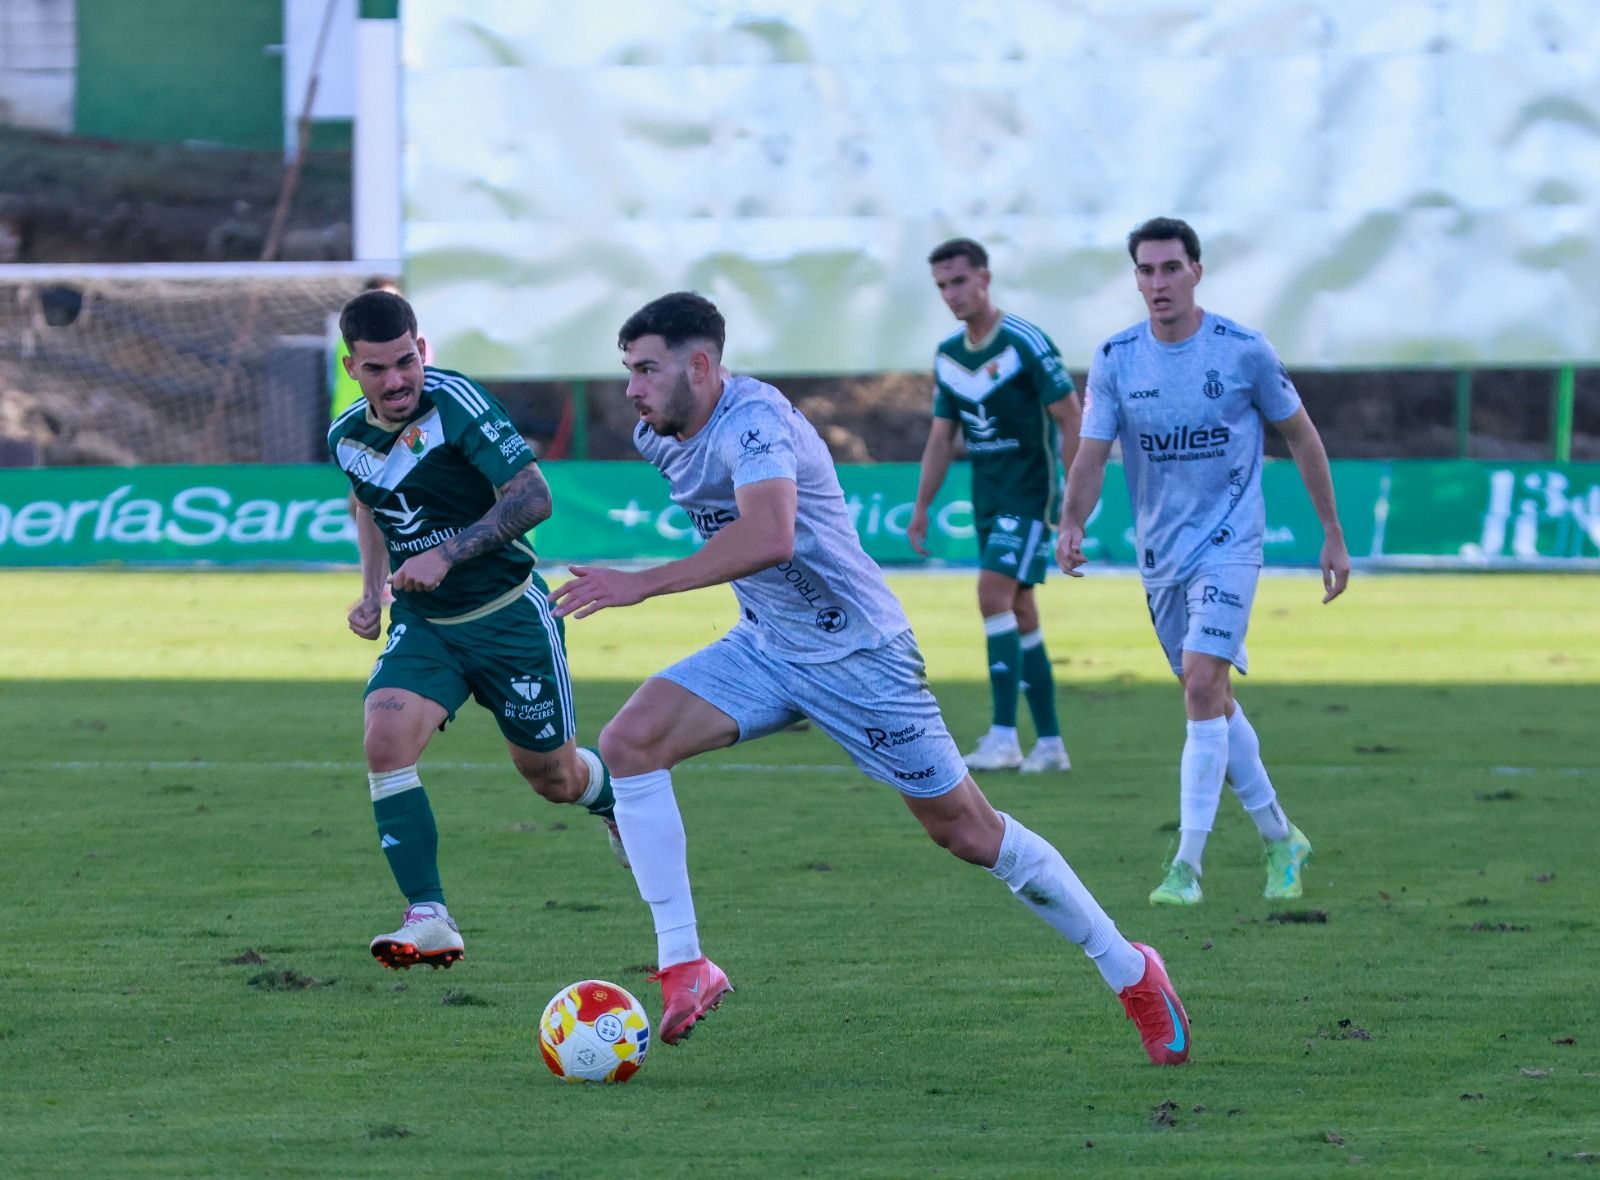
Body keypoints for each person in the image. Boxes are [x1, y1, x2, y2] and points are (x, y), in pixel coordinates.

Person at [549, 291, 1189, 1064]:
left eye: (646, 370)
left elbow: (773, 534)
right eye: (628, 372)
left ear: (703, 365)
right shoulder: (662, 436)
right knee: (630, 742)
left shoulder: (754, 422)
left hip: (860, 659)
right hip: (768, 646)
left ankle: (1132, 971)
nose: (632, 390)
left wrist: (641, 583)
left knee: (967, 832)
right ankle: (686, 965)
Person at [1057, 217, 1351, 906]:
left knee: (1197, 687)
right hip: (1161, 555)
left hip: (1231, 544)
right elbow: (1093, 454)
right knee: (1213, 697)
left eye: (1169, 268)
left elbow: (1303, 439)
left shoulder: (1244, 351)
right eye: (1145, 270)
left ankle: (1186, 866)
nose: (1156, 283)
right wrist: (1072, 521)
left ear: (1196, 271)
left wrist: (1332, 532)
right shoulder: (1116, 357)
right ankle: (1281, 837)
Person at [328, 289, 621, 970]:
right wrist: (371, 592)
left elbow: (533, 496)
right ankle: (428, 915)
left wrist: (446, 552)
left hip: (509, 617)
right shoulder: (347, 436)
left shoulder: (455, 401)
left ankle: (612, 798)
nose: (397, 380)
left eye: (406, 362)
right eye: (378, 369)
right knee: (385, 739)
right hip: (428, 626)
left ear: (422, 350)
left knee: (552, 777)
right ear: (353, 369)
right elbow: (367, 502)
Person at [908, 238, 1081, 774]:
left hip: (1030, 495)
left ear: (984, 277)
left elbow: (1071, 417)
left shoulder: (1024, 341)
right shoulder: (949, 356)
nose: (951, 294)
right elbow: (942, 438)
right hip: (987, 497)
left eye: (959, 281)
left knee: (991, 595)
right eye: (941, 286)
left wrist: (1072, 502)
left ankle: (1003, 736)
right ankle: (1050, 745)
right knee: (1021, 610)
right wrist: (921, 507)